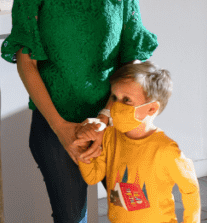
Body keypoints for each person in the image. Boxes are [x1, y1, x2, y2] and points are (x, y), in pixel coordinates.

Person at [1, 0, 159, 223]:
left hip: (116, 122)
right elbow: (26, 59)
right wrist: (61, 128)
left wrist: (105, 119)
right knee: (71, 217)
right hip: (55, 123)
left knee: (135, 214)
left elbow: (132, 59)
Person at [77, 62, 200, 223]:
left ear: (151, 109)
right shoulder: (109, 136)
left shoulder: (166, 150)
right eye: (114, 97)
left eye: (126, 99)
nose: (115, 105)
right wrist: (84, 152)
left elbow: (190, 189)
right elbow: (93, 177)